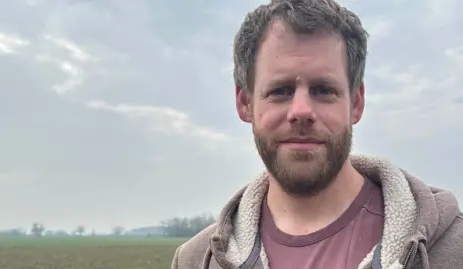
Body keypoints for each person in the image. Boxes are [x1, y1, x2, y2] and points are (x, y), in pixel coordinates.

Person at [171, 0, 463, 268]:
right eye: (280, 91)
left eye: (324, 90)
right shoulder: (195, 261)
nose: (301, 110)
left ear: (356, 103)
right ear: (245, 102)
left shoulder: (454, 249)